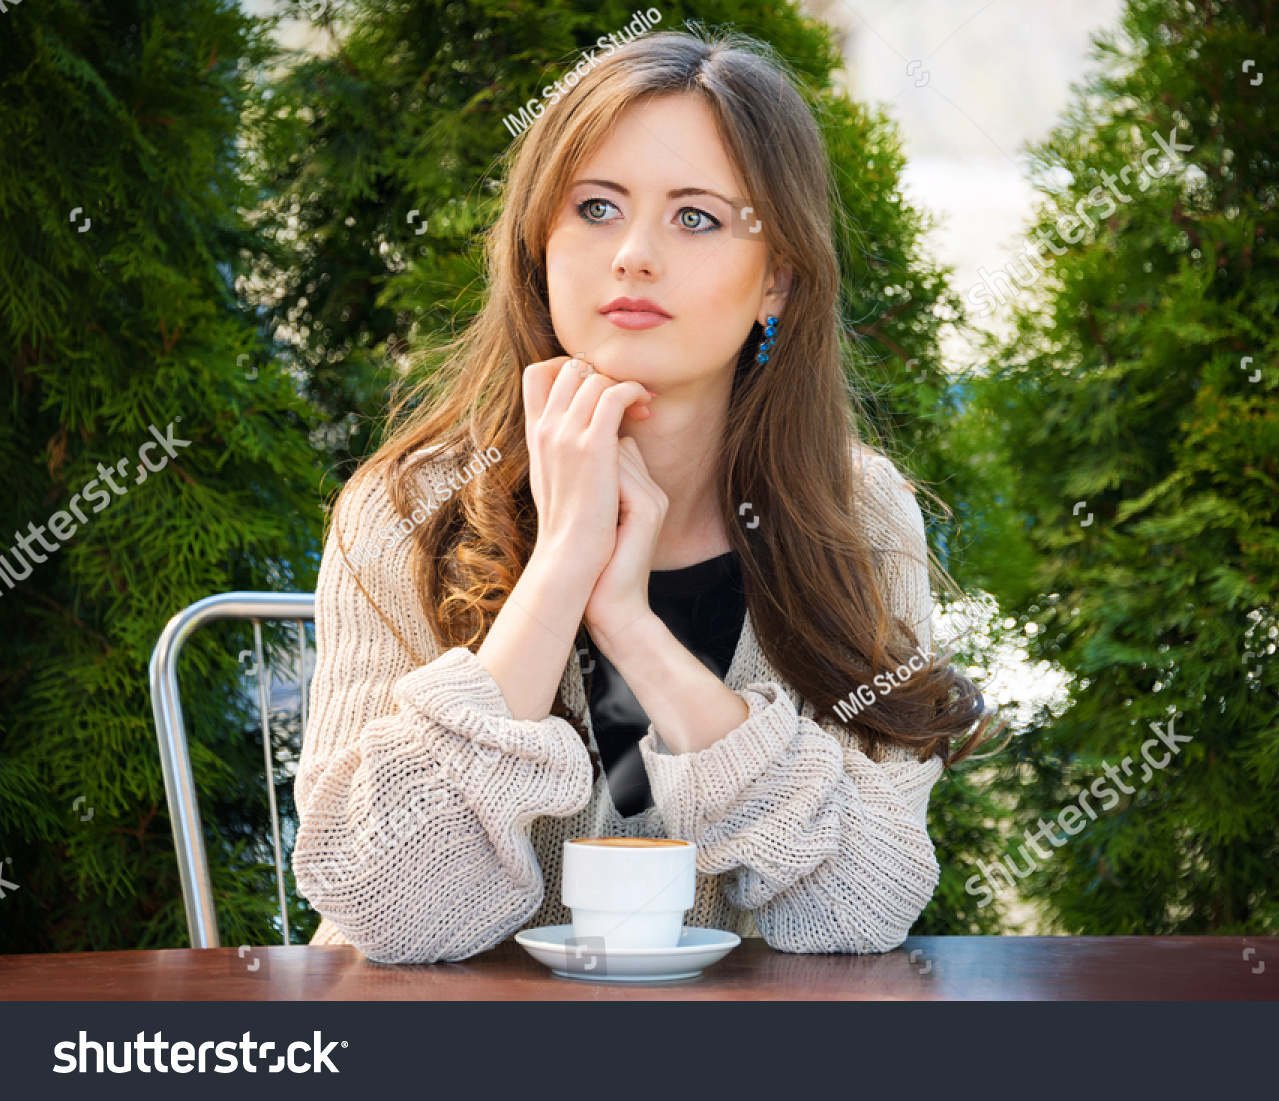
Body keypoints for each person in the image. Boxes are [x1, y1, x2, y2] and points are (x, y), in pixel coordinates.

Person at [290, 26, 1002, 965]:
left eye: (697, 217)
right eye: (594, 207)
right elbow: (387, 908)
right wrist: (563, 566)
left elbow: (857, 912)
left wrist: (630, 622)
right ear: (538, 250)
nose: (632, 254)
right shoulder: (408, 509)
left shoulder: (855, 518)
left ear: (776, 279)